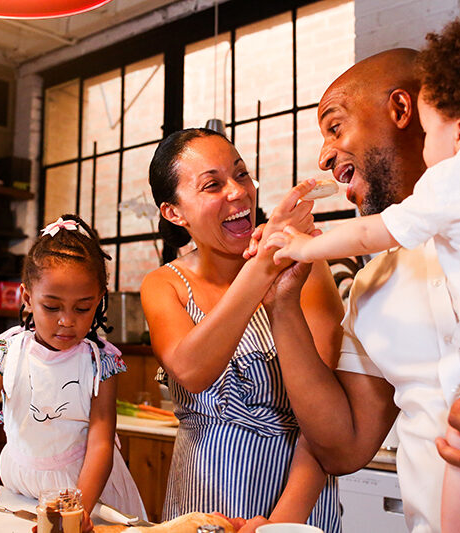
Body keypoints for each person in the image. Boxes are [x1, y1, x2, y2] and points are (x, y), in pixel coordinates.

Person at [244, 44, 460, 532]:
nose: (325, 156)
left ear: (400, 110)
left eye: (334, 126)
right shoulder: (373, 285)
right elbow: (343, 446)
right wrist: (281, 301)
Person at [140, 128, 344, 532]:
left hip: (299, 498)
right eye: (212, 185)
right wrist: (263, 267)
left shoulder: (307, 265)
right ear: (174, 213)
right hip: (203, 499)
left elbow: (325, 418)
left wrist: (281, 522)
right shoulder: (165, 284)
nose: (238, 192)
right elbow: (193, 370)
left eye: (241, 174)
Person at [0, 214, 146, 533]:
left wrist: (79, 507)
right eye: (52, 307)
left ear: (99, 301)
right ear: (27, 298)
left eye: (83, 308)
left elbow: (101, 444)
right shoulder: (7, 354)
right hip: (20, 493)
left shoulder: (99, 361)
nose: (67, 321)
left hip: (88, 495)